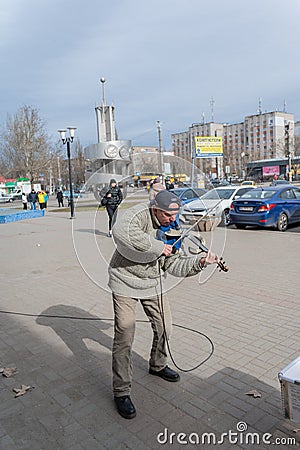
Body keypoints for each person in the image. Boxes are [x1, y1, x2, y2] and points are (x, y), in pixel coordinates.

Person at [108, 190, 219, 419]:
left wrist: (199, 262)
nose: (172, 220)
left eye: (175, 215)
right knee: (125, 336)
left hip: (152, 283)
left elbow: (174, 265)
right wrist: (158, 247)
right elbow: (120, 231)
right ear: (156, 209)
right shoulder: (140, 214)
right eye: (168, 215)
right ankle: (121, 391)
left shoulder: (173, 226)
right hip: (124, 281)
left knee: (164, 327)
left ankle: (157, 364)